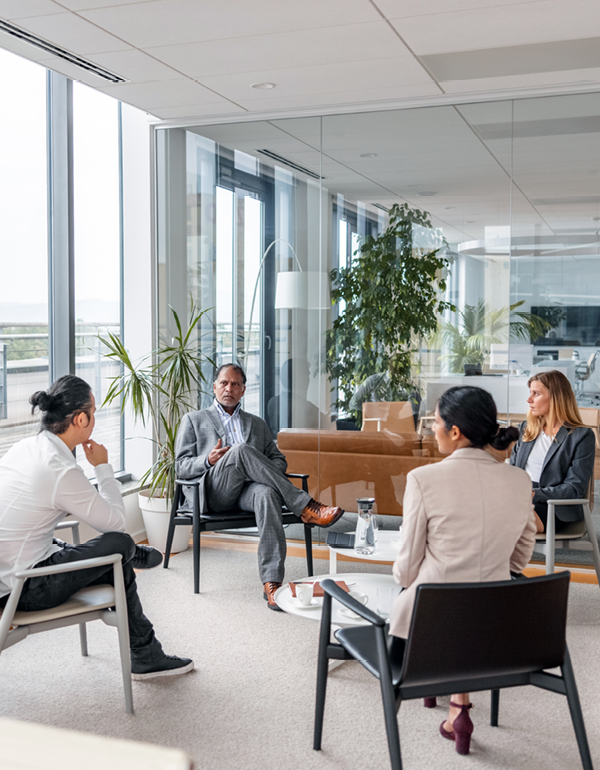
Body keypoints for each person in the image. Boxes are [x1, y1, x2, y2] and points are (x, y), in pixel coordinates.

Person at [0, 375, 194, 681]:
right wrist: (103, 466)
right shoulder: (60, 469)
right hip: (25, 586)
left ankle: (146, 651)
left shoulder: (25, 447)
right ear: (80, 418)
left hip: (10, 572)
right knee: (118, 544)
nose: (95, 418)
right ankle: (145, 653)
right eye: (94, 411)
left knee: (115, 561)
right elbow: (117, 524)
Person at [389, 386, 537, 756]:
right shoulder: (520, 481)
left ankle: (451, 702)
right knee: (469, 594)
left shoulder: (423, 480)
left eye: (436, 423)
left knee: (416, 595)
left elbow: (406, 571)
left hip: (426, 637)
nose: (431, 431)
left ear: (455, 432)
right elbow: (519, 561)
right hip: (501, 635)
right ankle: (459, 708)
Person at [175, 363, 344, 610]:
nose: (228, 388)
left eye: (235, 384)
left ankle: (272, 583)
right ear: (214, 387)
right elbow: (180, 467)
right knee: (241, 450)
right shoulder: (193, 420)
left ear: (243, 390)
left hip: (248, 492)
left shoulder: (257, 424)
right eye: (223, 383)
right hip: (214, 492)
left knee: (266, 493)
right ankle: (306, 506)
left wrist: (262, 472)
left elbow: (278, 460)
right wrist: (207, 460)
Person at [510, 369, 595, 534]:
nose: (529, 399)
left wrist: (533, 493)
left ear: (556, 397)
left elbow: (573, 489)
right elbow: (513, 472)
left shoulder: (581, 436)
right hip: (519, 498)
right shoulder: (526, 429)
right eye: (530, 393)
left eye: (536, 394)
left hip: (553, 507)